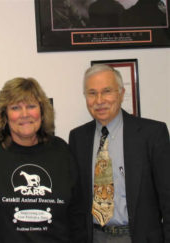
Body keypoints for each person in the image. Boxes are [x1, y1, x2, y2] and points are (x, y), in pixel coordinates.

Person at [0, 77, 85, 243]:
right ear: (4, 114)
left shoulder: (61, 151)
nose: (24, 115)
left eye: (31, 106)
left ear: (42, 111)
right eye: (16, 107)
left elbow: (77, 214)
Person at [68, 64, 170, 243]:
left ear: (121, 94)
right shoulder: (78, 138)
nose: (99, 100)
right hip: (94, 236)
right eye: (92, 93)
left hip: (137, 237)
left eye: (107, 91)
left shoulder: (152, 134)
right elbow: (76, 201)